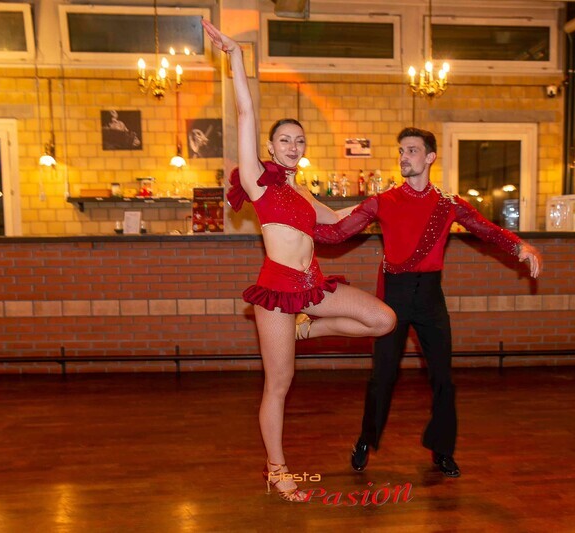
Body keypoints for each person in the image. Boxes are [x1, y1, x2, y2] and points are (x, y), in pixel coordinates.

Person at [201, 20, 396, 503]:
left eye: (299, 141)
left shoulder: (304, 194)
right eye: (285, 140)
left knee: (383, 320)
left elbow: (342, 220)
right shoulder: (258, 182)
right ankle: (277, 468)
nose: (293, 146)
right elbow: (245, 111)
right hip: (276, 291)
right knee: (279, 384)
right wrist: (236, 56)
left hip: (312, 286)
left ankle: (304, 331)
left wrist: (387, 204)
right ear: (271, 147)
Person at [314, 127, 542, 478]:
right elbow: (337, 233)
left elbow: (485, 229)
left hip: (430, 297)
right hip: (394, 295)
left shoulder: (448, 204)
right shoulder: (383, 201)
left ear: (430, 157)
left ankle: (443, 450)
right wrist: (291, 224)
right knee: (382, 376)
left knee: (443, 378)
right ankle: (365, 440)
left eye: (412, 150)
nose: (404, 157)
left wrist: (519, 247)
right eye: (401, 151)